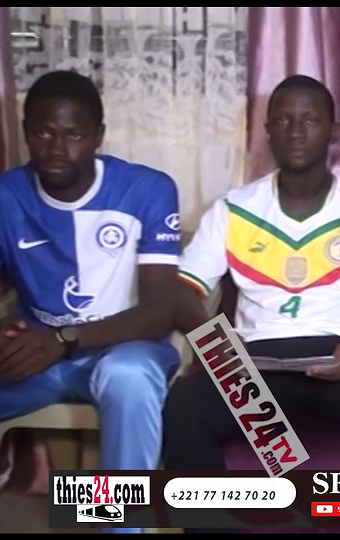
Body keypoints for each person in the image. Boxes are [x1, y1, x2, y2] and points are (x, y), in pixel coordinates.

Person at [162, 75, 340, 477]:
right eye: (283, 120)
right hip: (253, 360)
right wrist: (220, 352)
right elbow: (180, 292)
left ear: (333, 131)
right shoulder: (234, 209)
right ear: (268, 130)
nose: (296, 132)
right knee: (185, 408)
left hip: (339, 357)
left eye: (310, 120)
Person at [0, 71, 182, 533]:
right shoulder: (6, 196)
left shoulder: (147, 190)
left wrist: (64, 339)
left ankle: (120, 528)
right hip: (36, 355)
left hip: (124, 348)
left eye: (74, 135)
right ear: (25, 132)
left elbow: (160, 312)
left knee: (128, 377)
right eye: (44, 133)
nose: (57, 148)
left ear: (98, 135)